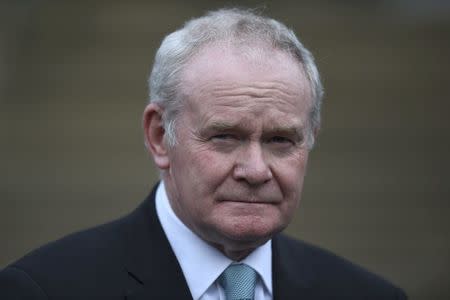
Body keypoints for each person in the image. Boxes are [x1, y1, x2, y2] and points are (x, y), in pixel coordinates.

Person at [0, 8, 407, 300]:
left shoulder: (366, 293)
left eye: (281, 141)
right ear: (160, 136)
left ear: (311, 138)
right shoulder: (43, 289)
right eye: (225, 136)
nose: (255, 170)